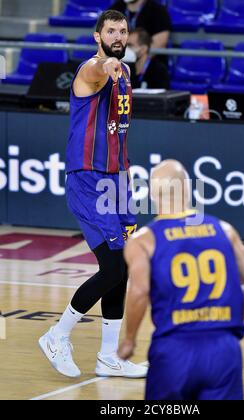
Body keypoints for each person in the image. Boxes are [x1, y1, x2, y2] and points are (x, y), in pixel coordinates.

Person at [38, 10, 147, 379]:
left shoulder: (126, 73)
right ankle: (57, 335)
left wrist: (127, 178)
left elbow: (118, 129)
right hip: (88, 180)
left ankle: (109, 357)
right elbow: (101, 72)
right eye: (111, 30)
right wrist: (108, 67)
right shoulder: (92, 70)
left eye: (123, 30)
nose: (118, 35)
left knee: (125, 266)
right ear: (97, 35)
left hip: (117, 181)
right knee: (112, 266)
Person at [118, 160, 244, 400]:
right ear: (188, 189)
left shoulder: (143, 241)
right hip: (223, 351)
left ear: (153, 195)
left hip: (174, 350)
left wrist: (129, 340)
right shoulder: (225, 230)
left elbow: (139, 292)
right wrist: (226, 324)